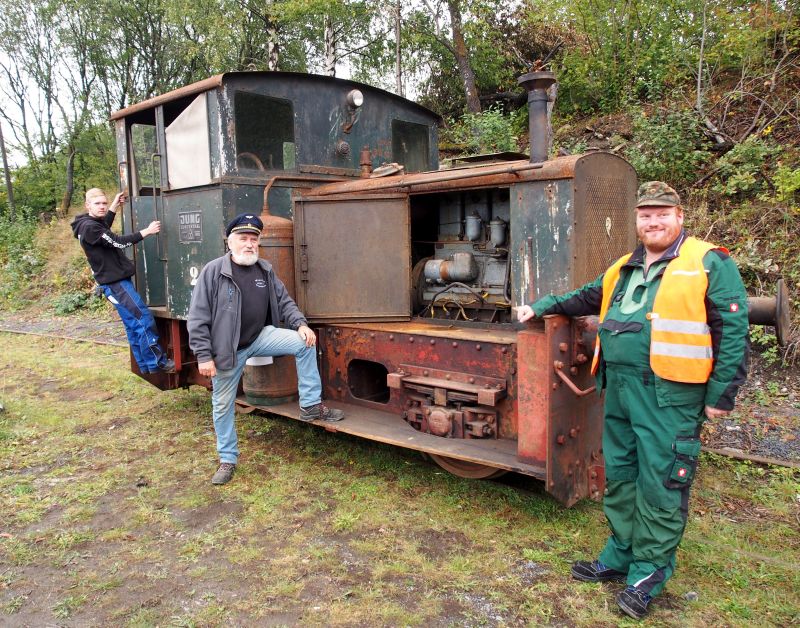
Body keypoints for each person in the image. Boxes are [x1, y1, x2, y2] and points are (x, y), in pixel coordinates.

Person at [517, 181, 749, 620]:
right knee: (621, 475)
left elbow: (732, 330)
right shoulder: (624, 266)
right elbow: (585, 297)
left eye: (662, 214)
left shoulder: (709, 262)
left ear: (680, 217)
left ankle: (648, 573)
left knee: (661, 482)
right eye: (646, 215)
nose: (653, 221)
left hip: (671, 394)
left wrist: (722, 393)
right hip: (619, 389)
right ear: (637, 221)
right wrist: (542, 304)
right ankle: (620, 553)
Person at [187, 212, 345, 486]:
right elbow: (197, 318)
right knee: (222, 405)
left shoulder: (265, 270)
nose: (249, 244)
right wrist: (203, 355)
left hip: (259, 337)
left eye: (254, 239)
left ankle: (310, 406)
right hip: (228, 350)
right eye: (242, 238)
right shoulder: (213, 271)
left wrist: (301, 324)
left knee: (305, 343)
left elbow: (285, 302)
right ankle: (227, 459)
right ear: (230, 242)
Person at [71, 188, 175, 374]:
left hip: (112, 283)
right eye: (98, 204)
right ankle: (157, 363)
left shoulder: (86, 224)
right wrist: (147, 231)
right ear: (88, 205)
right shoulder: (90, 227)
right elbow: (117, 241)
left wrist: (113, 207)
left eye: (104, 203)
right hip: (116, 284)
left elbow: (103, 230)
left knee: (132, 325)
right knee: (142, 319)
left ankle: (145, 365)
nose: (102, 207)